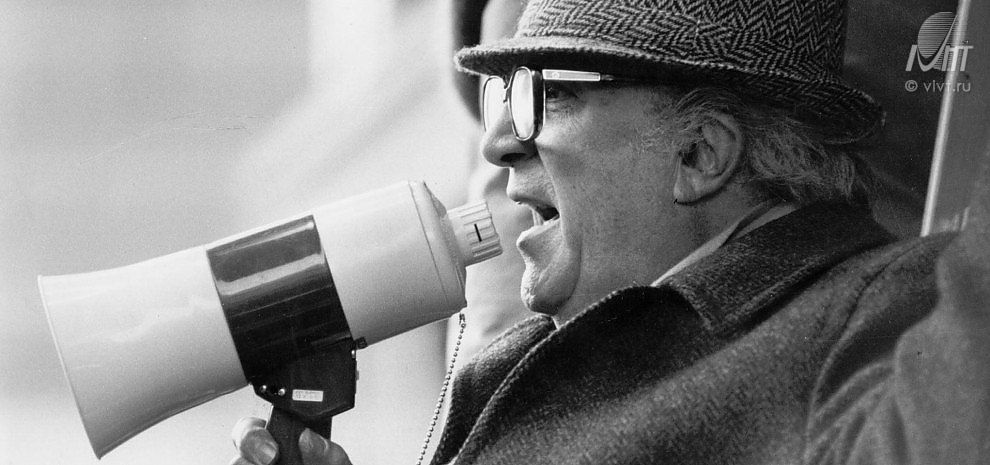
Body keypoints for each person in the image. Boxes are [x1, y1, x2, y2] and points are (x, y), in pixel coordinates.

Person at [231, 0, 990, 464]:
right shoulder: (524, 351)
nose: (496, 145)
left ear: (700, 153)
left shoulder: (889, 316)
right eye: (503, 94)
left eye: (549, 95)